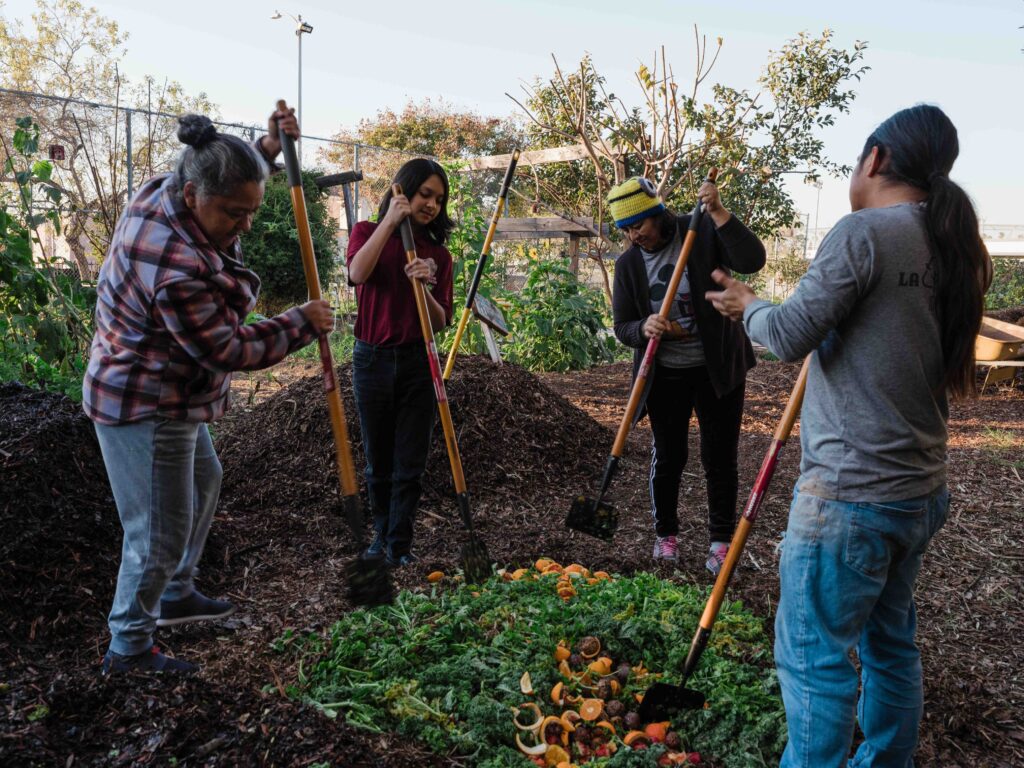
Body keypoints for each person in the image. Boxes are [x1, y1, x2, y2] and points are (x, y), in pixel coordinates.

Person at [705, 105, 991, 767]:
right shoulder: (954, 244)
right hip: (918, 491)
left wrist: (748, 307)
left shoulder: (864, 233)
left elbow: (787, 335)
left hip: (850, 496)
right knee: (891, 644)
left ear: (877, 160)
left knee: (813, 659)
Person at [83, 104, 335, 674]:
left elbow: (227, 176)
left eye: (253, 210)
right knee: (157, 531)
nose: (245, 225)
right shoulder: (175, 265)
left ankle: (175, 593)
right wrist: (300, 322)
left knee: (205, 478)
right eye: (235, 213)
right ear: (195, 195)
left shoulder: (169, 187)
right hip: (146, 401)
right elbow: (228, 350)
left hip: (170, 387)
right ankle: (128, 647)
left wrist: (265, 151)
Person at [608, 176, 766, 573]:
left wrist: (718, 212)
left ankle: (720, 543)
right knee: (669, 456)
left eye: (638, 225)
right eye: (625, 230)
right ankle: (666, 536)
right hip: (665, 374)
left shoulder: (700, 230)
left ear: (656, 214)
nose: (633, 236)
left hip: (717, 367)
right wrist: (643, 327)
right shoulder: (628, 264)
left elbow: (752, 260)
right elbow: (622, 326)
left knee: (719, 455)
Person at [346, 159, 454, 567]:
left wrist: (424, 286)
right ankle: (378, 539)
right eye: (425, 194)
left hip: (417, 362)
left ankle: (400, 544)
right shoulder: (365, 233)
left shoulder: (438, 256)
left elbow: (440, 322)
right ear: (404, 191)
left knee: (410, 461)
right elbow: (358, 273)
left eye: (439, 199)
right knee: (379, 458)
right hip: (371, 358)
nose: (431, 205)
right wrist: (390, 224)